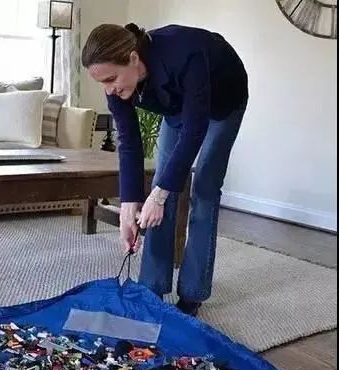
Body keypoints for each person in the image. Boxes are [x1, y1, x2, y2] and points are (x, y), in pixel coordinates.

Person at [82, 23, 248, 316]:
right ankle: (152, 287)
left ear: (133, 58)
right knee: (162, 183)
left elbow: (195, 130)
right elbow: (129, 144)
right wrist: (128, 209)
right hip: (178, 108)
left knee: (205, 188)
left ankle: (193, 294)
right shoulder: (116, 86)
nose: (109, 90)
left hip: (223, 102)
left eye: (111, 79)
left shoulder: (185, 53)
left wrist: (159, 196)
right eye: (102, 83)